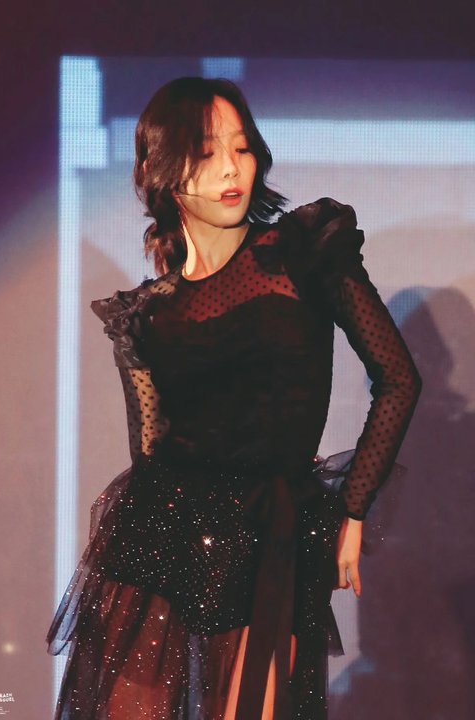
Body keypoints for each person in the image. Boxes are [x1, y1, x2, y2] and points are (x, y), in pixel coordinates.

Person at [46, 76, 422, 720]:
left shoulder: (304, 252)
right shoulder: (146, 313)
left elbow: (398, 378)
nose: (231, 168)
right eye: (206, 152)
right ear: (164, 172)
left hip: (270, 536)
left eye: (242, 148)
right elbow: (150, 451)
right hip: (164, 540)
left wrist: (352, 509)